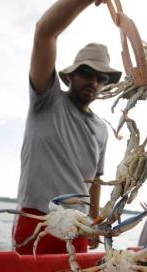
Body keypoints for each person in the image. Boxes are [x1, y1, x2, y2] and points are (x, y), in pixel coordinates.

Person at [14, 0, 122, 255]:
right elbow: (45, 31)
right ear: (70, 75)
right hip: (37, 216)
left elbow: (95, 178)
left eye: (101, 77)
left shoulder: (101, 128)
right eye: (86, 72)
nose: (94, 81)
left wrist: (95, 219)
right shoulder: (46, 100)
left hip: (79, 224)